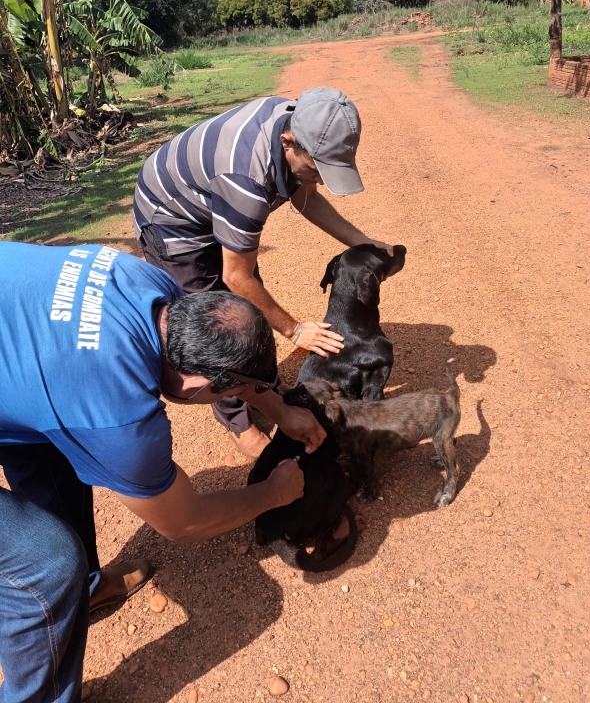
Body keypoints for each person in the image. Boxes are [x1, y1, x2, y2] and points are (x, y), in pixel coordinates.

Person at [0, 241, 324, 703]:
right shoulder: (119, 417)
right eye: (227, 394)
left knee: (52, 437)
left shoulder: (152, 286)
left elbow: (213, 366)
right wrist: (273, 492)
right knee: (46, 565)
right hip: (61, 376)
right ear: (197, 385)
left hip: (21, 357)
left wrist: (277, 408)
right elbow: (184, 522)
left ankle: (85, 592)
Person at [134, 86, 394, 458]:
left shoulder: (301, 120)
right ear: (289, 143)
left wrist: (361, 240)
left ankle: (264, 390)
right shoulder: (247, 181)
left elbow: (306, 196)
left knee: (250, 313)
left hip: (214, 199)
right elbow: (237, 278)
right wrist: (294, 329)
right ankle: (239, 423)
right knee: (216, 325)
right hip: (172, 218)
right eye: (318, 169)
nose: (320, 179)